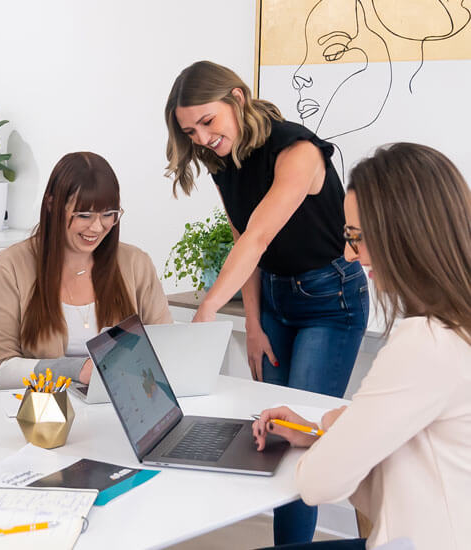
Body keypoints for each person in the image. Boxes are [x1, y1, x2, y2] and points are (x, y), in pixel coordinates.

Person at [165, 60, 368, 544]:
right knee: (271, 433)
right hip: (275, 299)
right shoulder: (222, 164)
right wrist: (252, 324)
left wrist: (209, 308)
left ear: (237, 98)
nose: (202, 138)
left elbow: (257, 237)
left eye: (208, 122)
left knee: (301, 441)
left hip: (330, 299)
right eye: (190, 131)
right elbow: (243, 243)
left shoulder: (298, 152)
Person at [254, 143, 471, 550]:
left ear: (403, 235)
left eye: (356, 237)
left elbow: (318, 484)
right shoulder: (457, 327)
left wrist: (336, 427)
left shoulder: (426, 342)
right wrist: (321, 430)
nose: (349, 254)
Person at [0, 151, 171, 389]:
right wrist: (75, 371)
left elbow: (165, 347)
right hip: (33, 411)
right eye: (84, 215)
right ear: (52, 204)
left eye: (108, 215)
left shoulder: (136, 263)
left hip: (113, 409)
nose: (97, 227)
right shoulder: (11, 266)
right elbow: (1, 369)